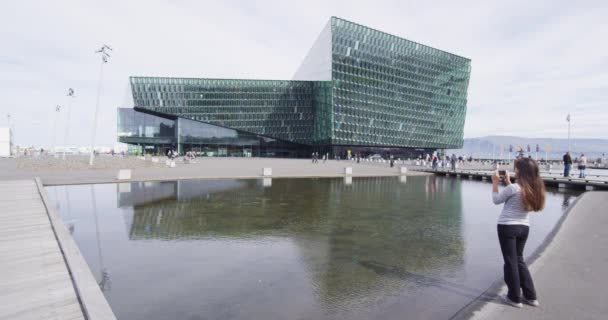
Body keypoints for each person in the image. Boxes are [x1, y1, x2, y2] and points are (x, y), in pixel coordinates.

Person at [491, 158, 544, 308]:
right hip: (523, 228)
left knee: (510, 262)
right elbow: (517, 197)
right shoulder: (534, 188)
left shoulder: (514, 188)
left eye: (516, 168)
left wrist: (495, 182)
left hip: (507, 227)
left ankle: (514, 298)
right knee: (519, 260)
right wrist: (508, 182)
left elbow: (496, 199)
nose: (515, 171)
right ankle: (531, 296)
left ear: (521, 171)